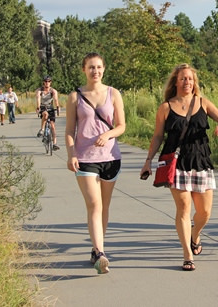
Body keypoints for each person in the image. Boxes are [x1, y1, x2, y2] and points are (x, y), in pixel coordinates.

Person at [140, 63, 218, 272]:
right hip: (176, 163)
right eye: (183, 78)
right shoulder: (165, 107)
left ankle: (195, 235)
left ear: (194, 82)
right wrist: (148, 160)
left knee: (205, 212)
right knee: (183, 209)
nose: (187, 82)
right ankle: (187, 255)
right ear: (176, 82)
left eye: (190, 78)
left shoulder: (203, 102)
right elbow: (158, 136)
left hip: (201, 161)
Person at [65, 52, 126, 274]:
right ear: (84, 69)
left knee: (104, 206)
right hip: (85, 159)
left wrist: (108, 135)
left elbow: (121, 126)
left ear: (104, 69)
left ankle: (96, 248)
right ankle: (100, 253)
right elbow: (70, 130)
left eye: (99, 67)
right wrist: (71, 154)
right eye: (91, 67)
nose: (95, 71)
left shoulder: (113, 93)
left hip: (110, 158)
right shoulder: (75, 97)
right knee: (94, 204)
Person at [36, 75, 60, 150]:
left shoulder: (53, 91)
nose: (47, 83)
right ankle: (42, 130)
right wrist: (38, 107)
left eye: (48, 81)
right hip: (43, 107)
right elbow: (38, 98)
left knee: (53, 126)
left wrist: (58, 106)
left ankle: (55, 143)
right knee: (45, 115)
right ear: (43, 82)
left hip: (50, 107)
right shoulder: (39, 91)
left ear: (50, 82)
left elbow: (55, 99)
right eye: (46, 81)